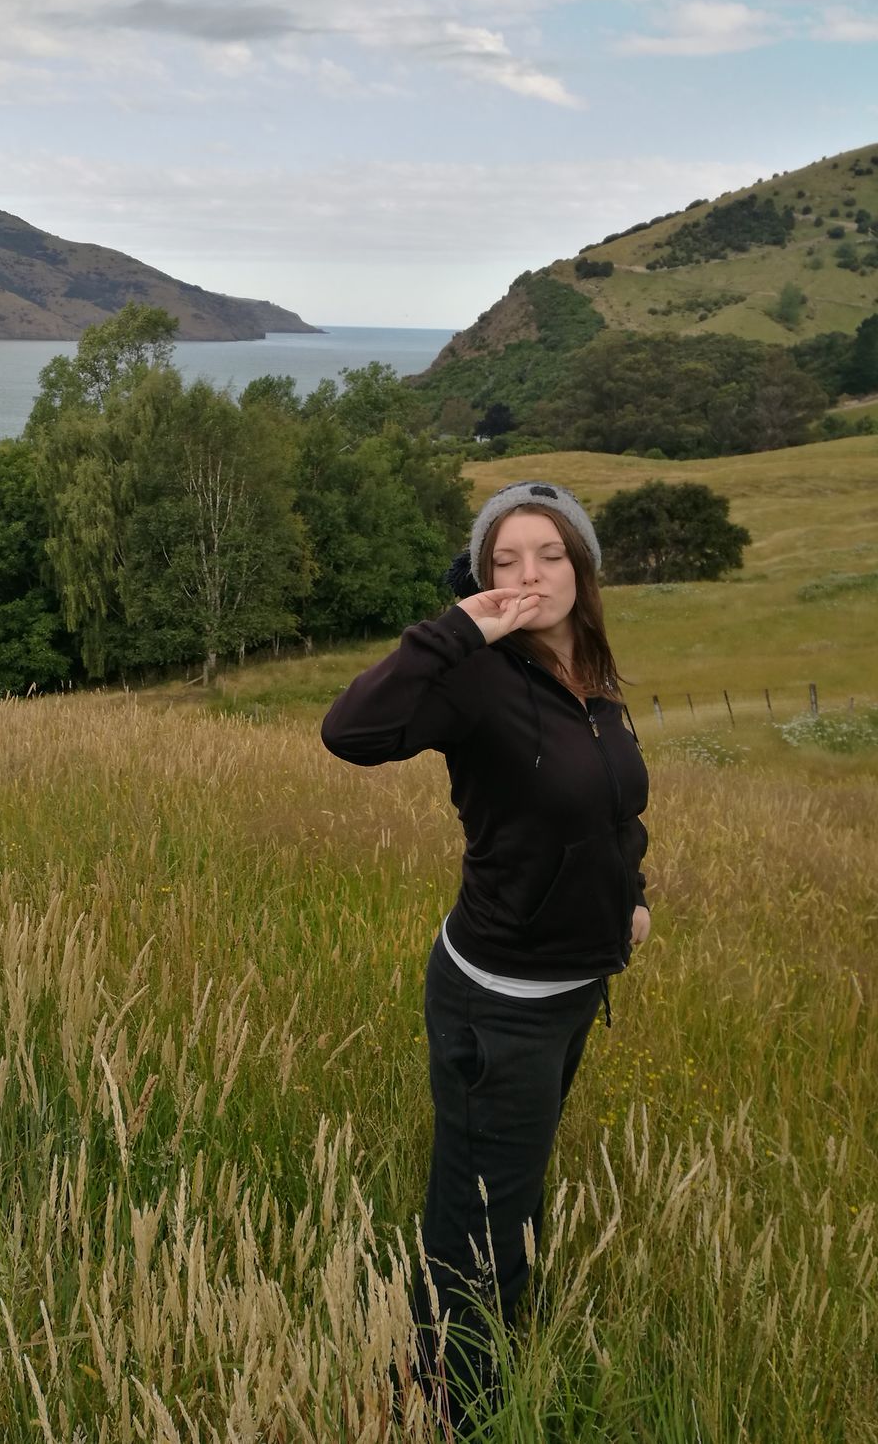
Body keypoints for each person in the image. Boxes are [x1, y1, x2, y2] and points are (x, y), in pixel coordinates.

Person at [320, 480, 651, 1429]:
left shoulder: (590, 669)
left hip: (574, 988)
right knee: (478, 1218)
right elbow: (351, 732)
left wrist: (630, 894)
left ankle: (486, 1355)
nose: (527, 575)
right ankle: (450, 1400)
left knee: (514, 1188)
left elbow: (616, 803)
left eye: (548, 554)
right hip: (498, 1000)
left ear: (580, 569)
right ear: (479, 576)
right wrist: (454, 629)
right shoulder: (473, 677)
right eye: (503, 560)